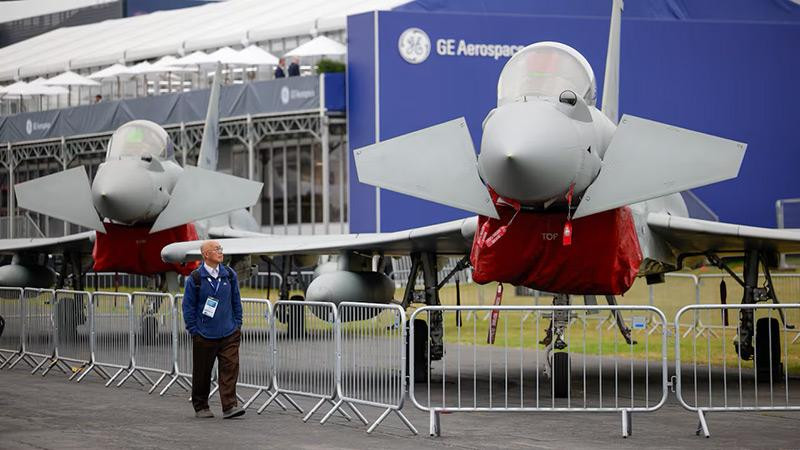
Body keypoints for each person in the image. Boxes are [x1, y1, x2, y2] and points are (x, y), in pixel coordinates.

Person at [182, 240, 245, 419]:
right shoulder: (195, 278)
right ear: (206, 254)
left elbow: (236, 301)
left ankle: (230, 406)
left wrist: (237, 324)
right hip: (204, 334)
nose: (220, 252)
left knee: (230, 368)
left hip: (229, 332)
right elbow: (188, 307)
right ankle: (201, 406)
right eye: (216, 249)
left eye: (221, 249)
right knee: (202, 371)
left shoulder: (229, 275)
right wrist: (194, 329)